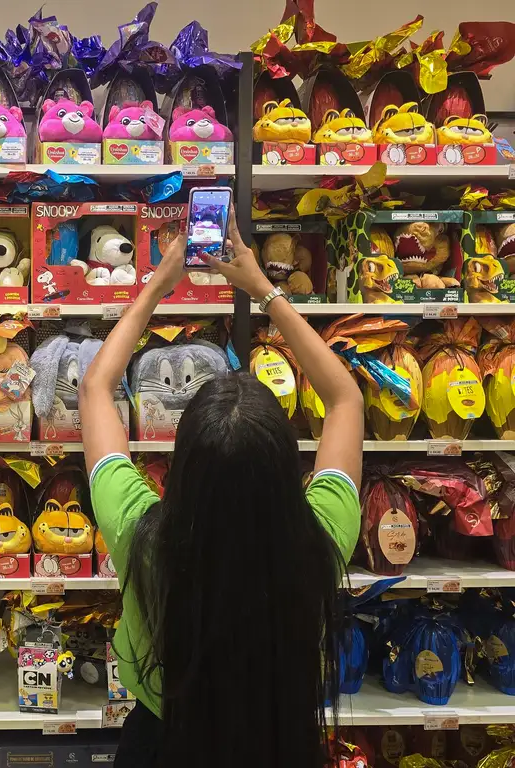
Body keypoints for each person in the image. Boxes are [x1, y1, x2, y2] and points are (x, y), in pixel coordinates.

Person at [79, 211, 363, 768]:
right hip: (280, 737)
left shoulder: (141, 532)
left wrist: (157, 286)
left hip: (162, 741)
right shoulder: (320, 537)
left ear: (183, 465)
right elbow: (345, 399)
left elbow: (96, 387)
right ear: (285, 463)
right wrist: (264, 290)